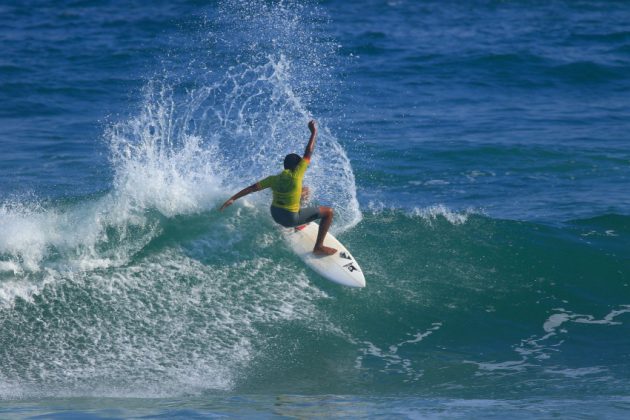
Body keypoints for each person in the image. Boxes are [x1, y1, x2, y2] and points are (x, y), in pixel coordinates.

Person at [219, 120, 337, 255]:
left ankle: (298, 224)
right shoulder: (297, 175)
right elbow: (309, 151)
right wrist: (314, 132)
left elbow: (251, 188)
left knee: (305, 191)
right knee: (329, 212)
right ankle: (319, 246)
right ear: (297, 167)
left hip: (275, 215)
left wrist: (233, 198)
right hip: (289, 219)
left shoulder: (273, 179)